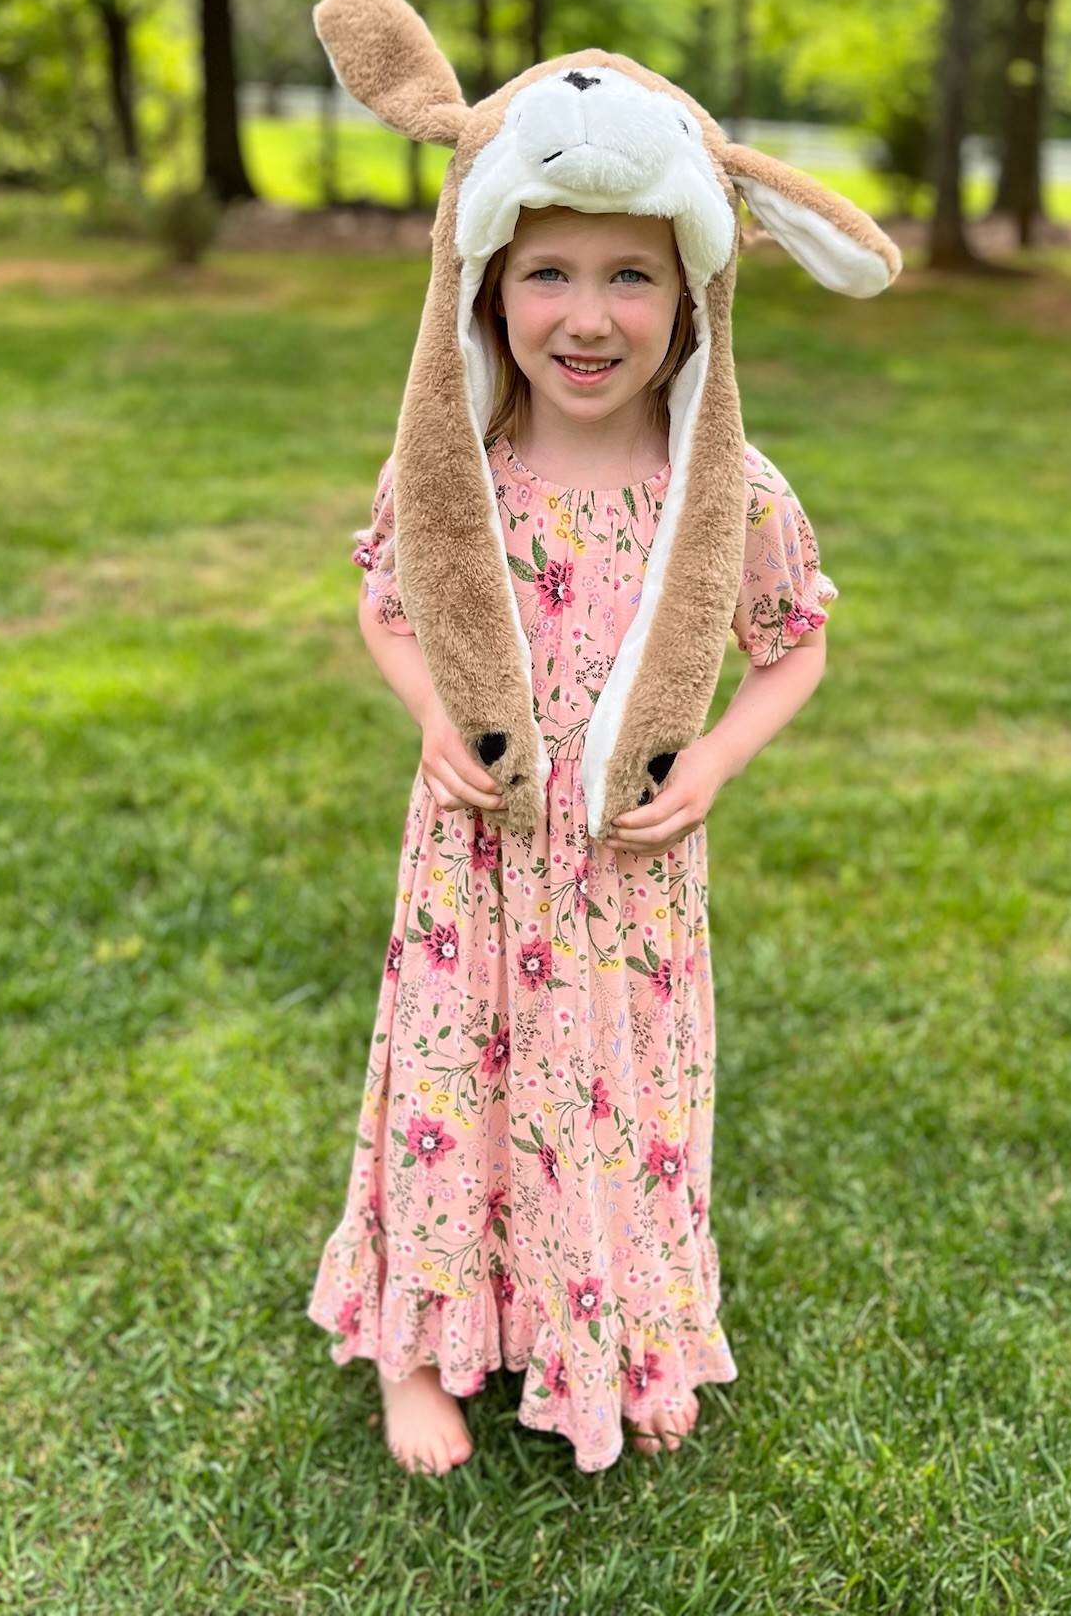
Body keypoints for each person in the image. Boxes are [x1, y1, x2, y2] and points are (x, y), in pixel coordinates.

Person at [307, 198, 839, 1475]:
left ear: (694, 298)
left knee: (621, 1100)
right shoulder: (453, 472)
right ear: (487, 292)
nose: (588, 315)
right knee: (456, 1092)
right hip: (475, 866)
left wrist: (712, 756)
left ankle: (627, 1330)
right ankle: (420, 1352)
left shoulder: (725, 489)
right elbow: (386, 603)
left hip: (627, 881)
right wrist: (434, 703)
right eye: (548, 272)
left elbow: (795, 645)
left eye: (630, 278)